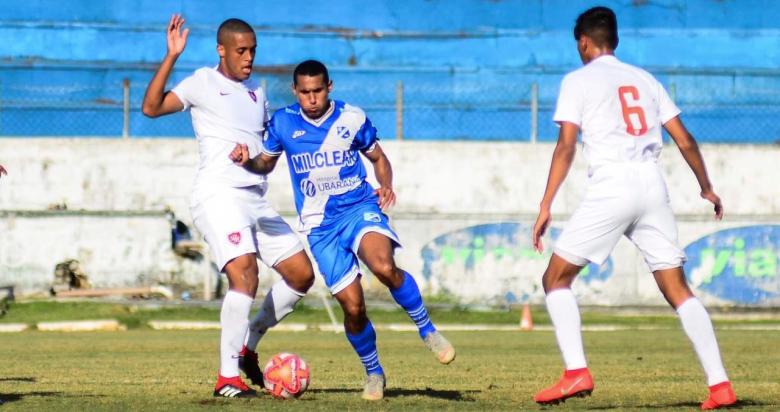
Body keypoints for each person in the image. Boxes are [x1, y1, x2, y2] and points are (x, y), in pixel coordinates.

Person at [530, 7, 736, 409]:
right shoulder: (645, 79)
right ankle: (720, 385)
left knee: (555, 279)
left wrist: (545, 204)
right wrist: (706, 188)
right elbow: (686, 139)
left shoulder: (578, 80)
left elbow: (567, 146)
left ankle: (576, 373)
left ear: (584, 42)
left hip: (613, 184)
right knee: (678, 289)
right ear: (615, 41)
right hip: (652, 184)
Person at [230, 59, 456, 400]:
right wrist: (247, 159)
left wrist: (387, 185)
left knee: (383, 266)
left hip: (358, 208)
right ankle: (374, 372)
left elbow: (379, 158)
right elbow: (266, 162)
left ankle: (427, 329)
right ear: (295, 91)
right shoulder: (284, 123)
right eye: (304, 92)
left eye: (318, 90)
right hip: (321, 228)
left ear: (329, 87)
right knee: (353, 307)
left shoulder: (352, 118)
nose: (312, 98)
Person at [141, 15, 315, 398]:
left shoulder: (258, 91)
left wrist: (259, 157)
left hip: (255, 196)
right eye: (241, 50)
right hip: (219, 194)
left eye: (253, 50)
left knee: (301, 275)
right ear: (222, 50)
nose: (248, 57)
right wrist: (171, 57)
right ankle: (227, 378)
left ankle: (249, 344)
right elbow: (151, 108)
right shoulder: (203, 82)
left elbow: (268, 156)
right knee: (245, 277)